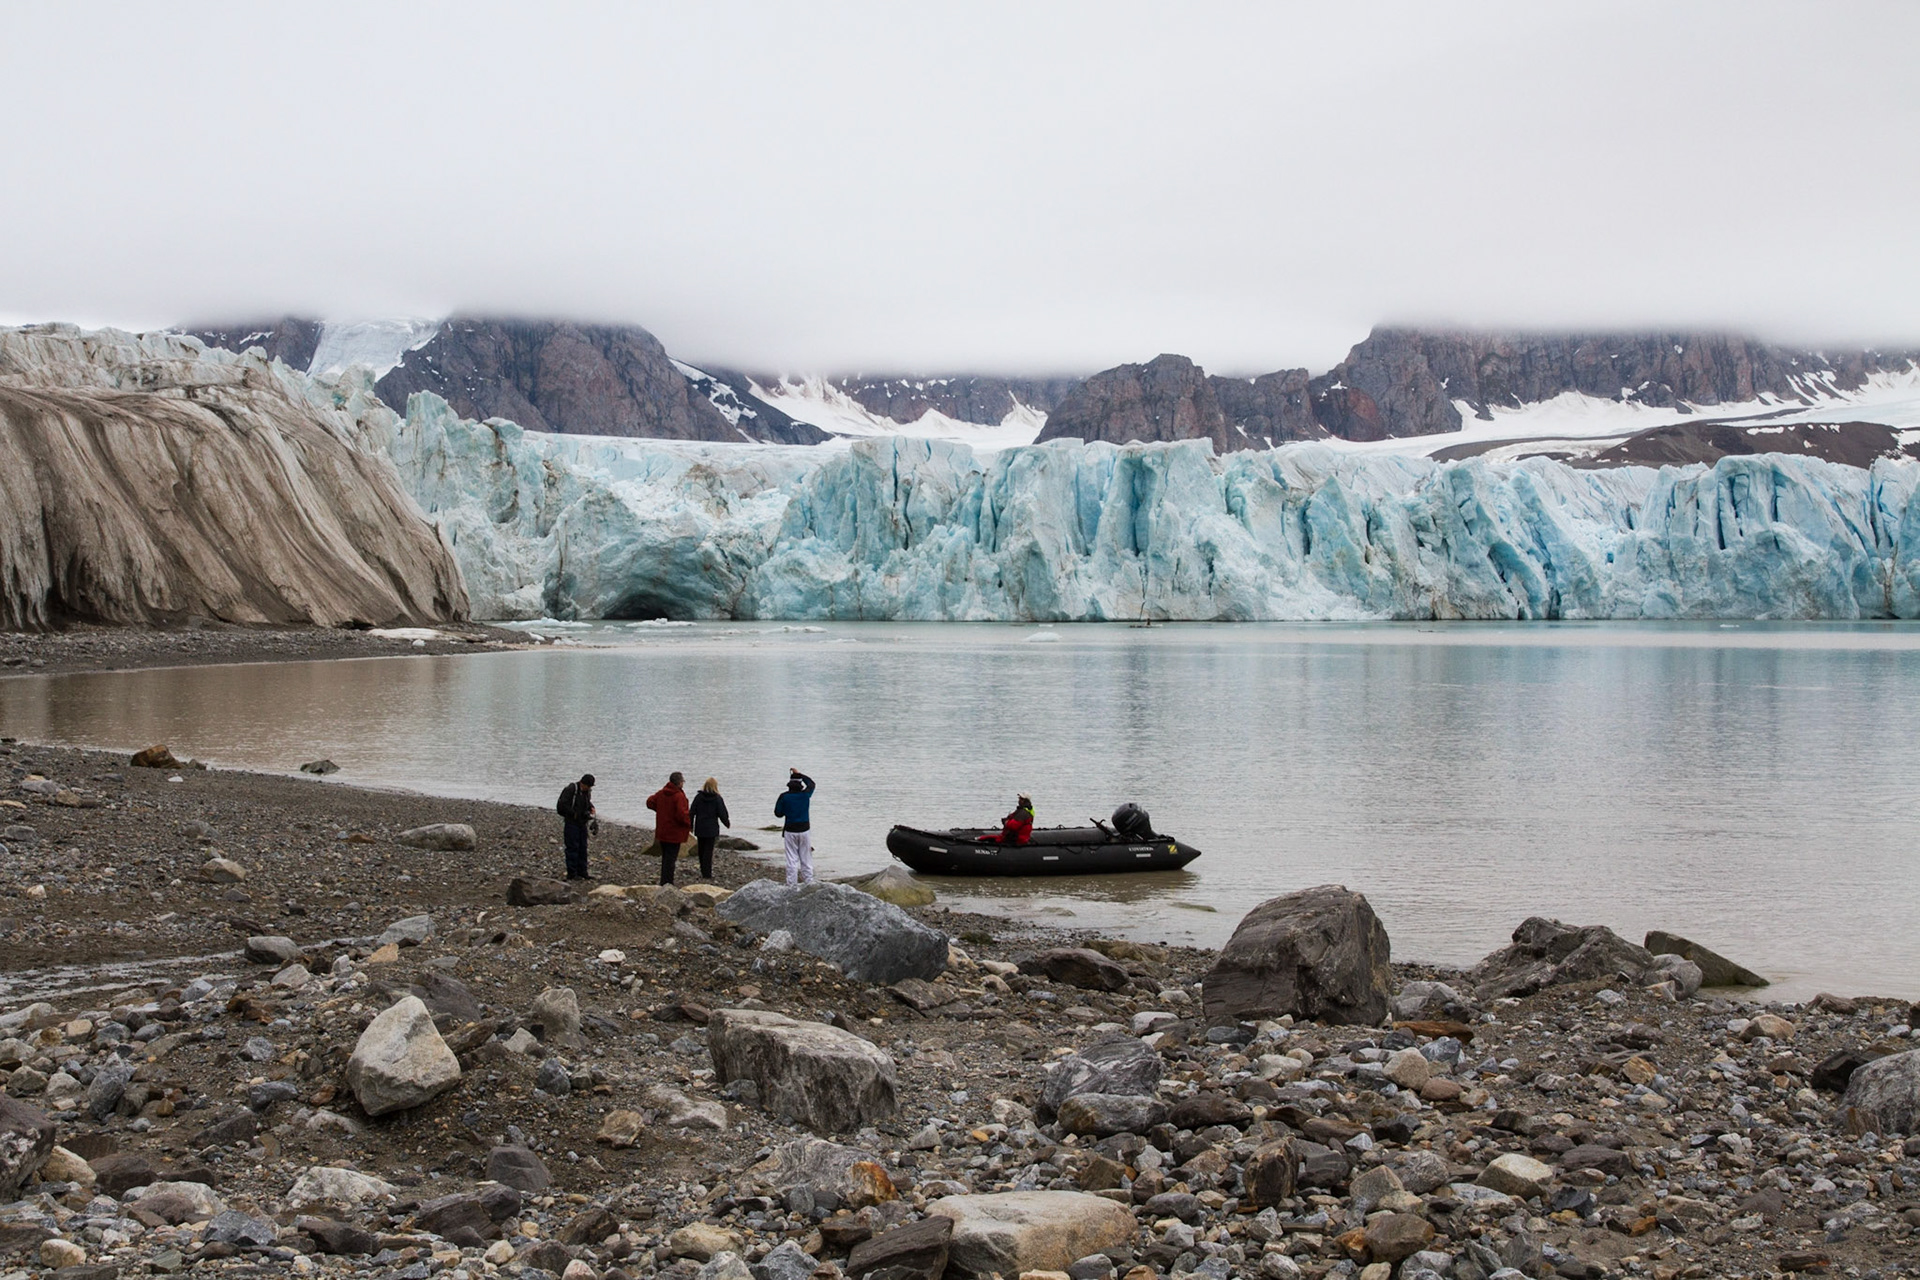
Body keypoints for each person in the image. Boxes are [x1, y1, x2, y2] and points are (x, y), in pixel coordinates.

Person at [646, 771, 693, 886]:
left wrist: (661, 810)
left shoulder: (662, 793)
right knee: (671, 859)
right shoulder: (678, 796)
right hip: (674, 833)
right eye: (682, 781)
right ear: (679, 783)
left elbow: (650, 802)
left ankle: (664, 881)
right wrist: (689, 824)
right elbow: (682, 815)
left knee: (666, 857)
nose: (683, 784)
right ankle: (668, 882)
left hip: (663, 831)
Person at [773, 767, 816, 885]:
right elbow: (812, 784)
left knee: (791, 859)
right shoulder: (806, 795)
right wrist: (800, 774)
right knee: (806, 858)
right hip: (804, 830)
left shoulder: (784, 796)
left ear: (789, 784)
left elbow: (778, 813)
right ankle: (809, 882)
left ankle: (791, 885)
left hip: (790, 830)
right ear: (800, 784)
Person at [556, 773, 597, 880]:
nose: (588, 788)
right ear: (582, 783)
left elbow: (586, 803)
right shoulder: (571, 789)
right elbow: (562, 805)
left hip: (582, 823)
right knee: (572, 848)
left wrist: (591, 807)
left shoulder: (587, 792)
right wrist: (574, 814)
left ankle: (583, 872)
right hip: (571, 823)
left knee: (583, 848)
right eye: (588, 786)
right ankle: (572, 873)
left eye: (590, 787)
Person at [689, 777, 730, 882]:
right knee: (708, 850)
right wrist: (727, 823)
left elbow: (692, 811)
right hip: (711, 828)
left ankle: (704, 870)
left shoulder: (698, 797)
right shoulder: (717, 798)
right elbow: (722, 813)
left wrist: (690, 826)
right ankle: (707, 873)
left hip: (700, 827)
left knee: (701, 850)